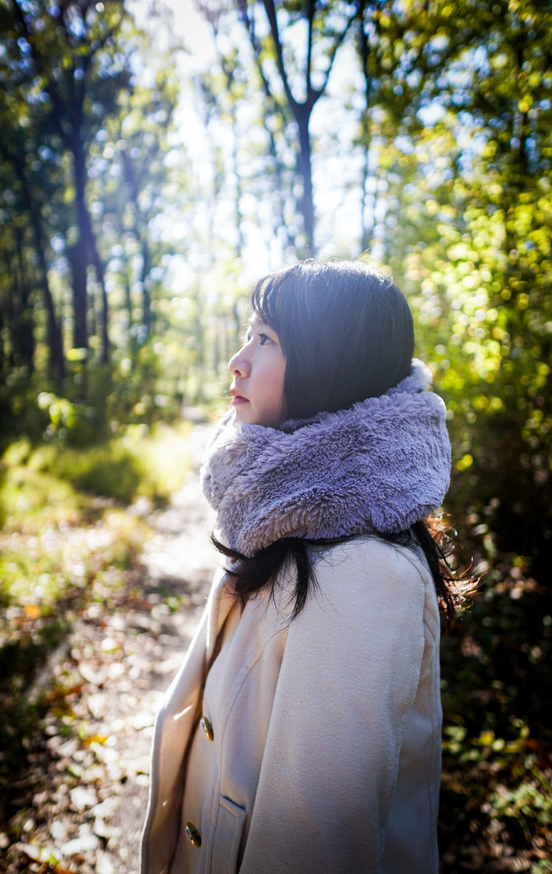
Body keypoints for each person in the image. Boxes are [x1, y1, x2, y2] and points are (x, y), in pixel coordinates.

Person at [141, 259, 464, 874]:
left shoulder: (365, 574)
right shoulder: (279, 506)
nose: (237, 360)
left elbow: (313, 844)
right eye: (248, 334)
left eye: (266, 340)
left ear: (329, 362)